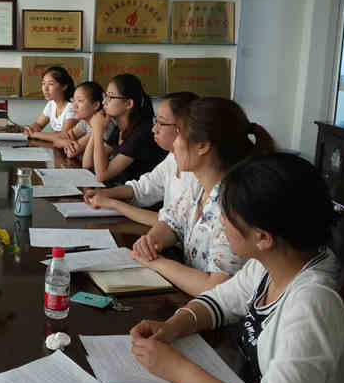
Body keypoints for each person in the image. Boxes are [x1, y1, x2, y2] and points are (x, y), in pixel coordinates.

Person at [130, 153, 344, 383]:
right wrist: (173, 326)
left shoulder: (314, 302)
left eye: (227, 215)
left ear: (263, 238)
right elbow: (220, 301)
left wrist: (177, 369)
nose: (220, 221)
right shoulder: (275, 263)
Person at [131, 97, 276, 295]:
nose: (174, 143)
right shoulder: (197, 185)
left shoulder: (233, 206)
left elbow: (216, 286)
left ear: (202, 146)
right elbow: (173, 223)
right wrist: (151, 240)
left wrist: (155, 262)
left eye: (179, 134)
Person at [83, 91, 199, 226]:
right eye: (155, 121)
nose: (154, 129)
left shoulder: (197, 173)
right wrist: (104, 193)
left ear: (185, 128)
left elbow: (173, 224)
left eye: (161, 123)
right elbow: (142, 188)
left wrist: (114, 204)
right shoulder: (172, 158)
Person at [82, 73, 165, 186]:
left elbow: (101, 175)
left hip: (141, 195)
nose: (104, 102)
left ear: (128, 103)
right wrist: (96, 129)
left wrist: (98, 130)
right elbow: (87, 165)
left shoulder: (142, 132)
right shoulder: (120, 129)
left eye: (110, 97)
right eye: (105, 96)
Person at [52, 81, 109, 158]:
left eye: (80, 101)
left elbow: (71, 153)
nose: (74, 106)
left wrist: (67, 143)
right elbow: (56, 140)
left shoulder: (102, 124)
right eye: (73, 100)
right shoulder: (84, 122)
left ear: (95, 105)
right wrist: (65, 142)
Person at [24, 66, 77, 142]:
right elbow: (39, 124)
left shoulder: (72, 106)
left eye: (50, 84)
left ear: (64, 86)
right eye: (43, 83)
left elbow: (63, 136)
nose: (45, 89)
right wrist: (30, 129)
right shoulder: (51, 104)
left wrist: (34, 134)